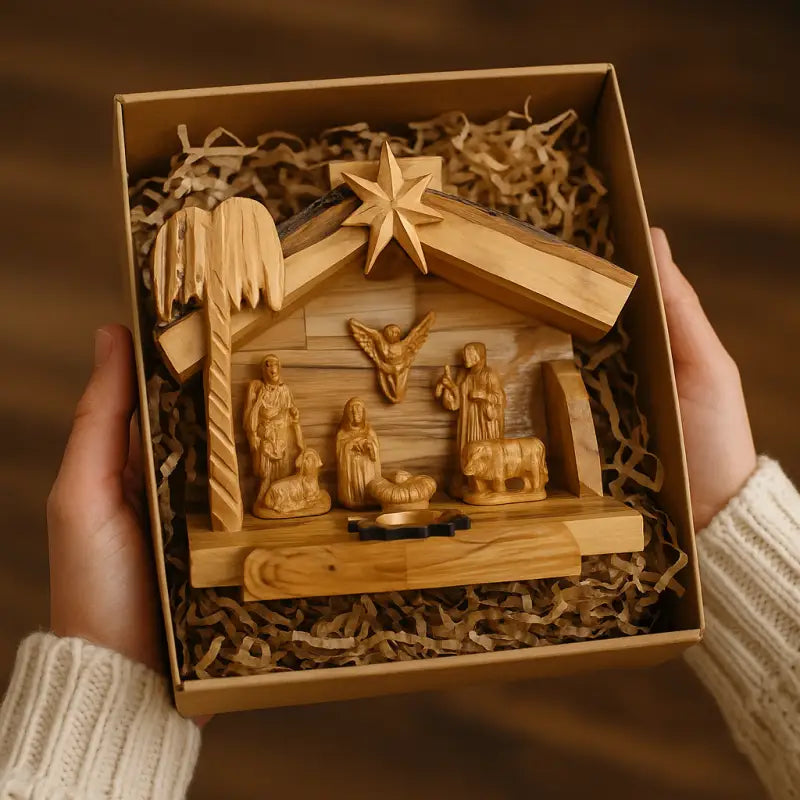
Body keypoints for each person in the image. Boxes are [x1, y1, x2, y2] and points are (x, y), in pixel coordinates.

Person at [0, 229, 797, 798]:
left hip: (473, 439)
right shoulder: (307, 403)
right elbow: (278, 423)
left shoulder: (477, 379)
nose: (353, 410)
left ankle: (485, 488)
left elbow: (474, 395)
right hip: (328, 471)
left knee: (481, 460)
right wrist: (323, 437)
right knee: (331, 477)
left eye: (476, 356)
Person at [435, 342, 506, 471]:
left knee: (484, 454)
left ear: (479, 355)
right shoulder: (464, 376)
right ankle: (470, 479)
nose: (465, 357)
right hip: (468, 422)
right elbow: (456, 404)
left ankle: (488, 477)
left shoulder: (488, 374)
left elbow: (500, 398)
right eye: (465, 354)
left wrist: (484, 395)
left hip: (484, 424)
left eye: (469, 353)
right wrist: (449, 386)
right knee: (468, 454)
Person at [243, 353, 303, 506]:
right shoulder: (257, 389)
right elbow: (250, 415)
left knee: (284, 470)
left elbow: (292, 412)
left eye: (275, 366)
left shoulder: (284, 390)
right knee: (265, 472)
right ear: (263, 370)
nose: (272, 370)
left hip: (282, 436)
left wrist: (294, 413)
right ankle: (264, 497)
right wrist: (252, 434)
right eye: (268, 366)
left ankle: (280, 498)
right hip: (266, 435)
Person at [336, 397, 382, 509]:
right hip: (352, 472)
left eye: (359, 411)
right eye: (352, 412)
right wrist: (350, 446)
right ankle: (353, 499)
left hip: (367, 470)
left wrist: (370, 447)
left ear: (364, 413)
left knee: (367, 487)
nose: (356, 414)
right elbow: (339, 456)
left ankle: (369, 498)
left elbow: (375, 455)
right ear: (347, 414)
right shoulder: (342, 434)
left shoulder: (370, 432)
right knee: (355, 488)